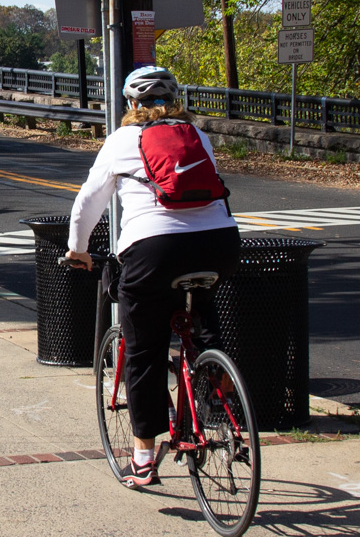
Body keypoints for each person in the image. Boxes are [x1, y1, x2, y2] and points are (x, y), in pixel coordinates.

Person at [65, 65, 238, 489]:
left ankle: (144, 458)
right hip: (220, 242)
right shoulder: (197, 135)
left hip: (153, 250)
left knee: (143, 347)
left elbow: (90, 199)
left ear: (130, 104)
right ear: (175, 100)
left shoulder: (122, 139)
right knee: (202, 308)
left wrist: (78, 250)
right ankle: (220, 387)